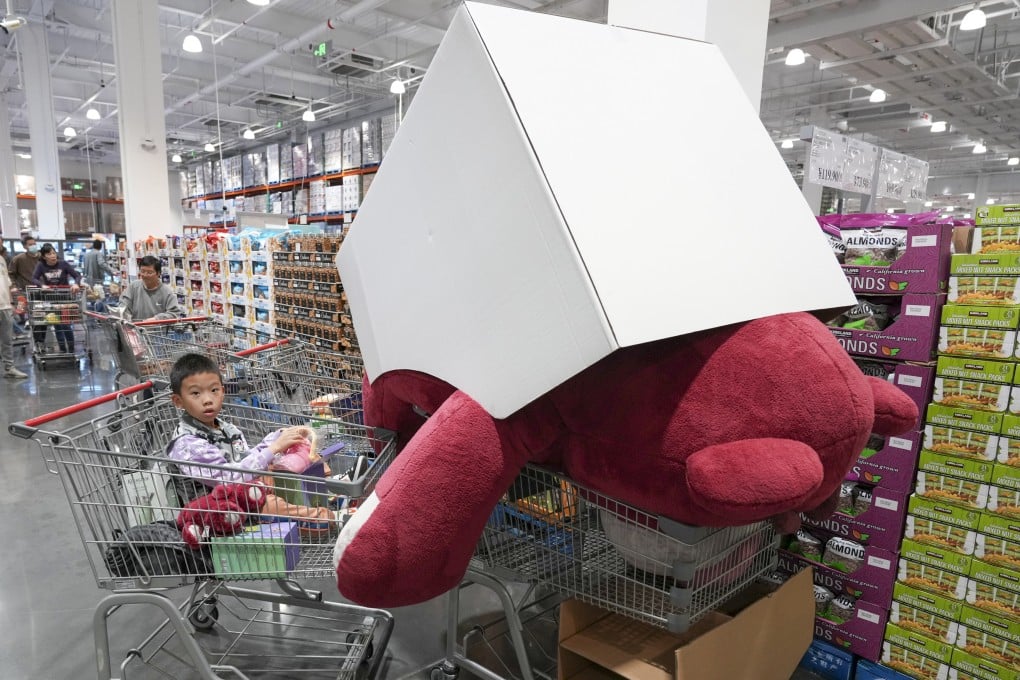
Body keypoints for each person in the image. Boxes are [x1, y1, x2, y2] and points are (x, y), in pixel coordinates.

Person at [166, 353, 336, 522]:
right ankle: (325, 517)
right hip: (220, 511)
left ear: (222, 392)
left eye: (214, 390)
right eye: (196, 393)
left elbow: (245, 459)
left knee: (286, 465)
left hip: (246, 492)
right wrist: (273, 449)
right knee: (269, 504)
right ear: (178, 401)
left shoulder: (225, 428)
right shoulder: (187, 444)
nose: (207, 400)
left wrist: (279, 438)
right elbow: (227, 477)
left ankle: (332, 492)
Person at [31, 244, 82, 355]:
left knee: (66, 323)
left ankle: (71, 348)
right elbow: (34, 278)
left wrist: (76, 284)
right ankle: (63, 349)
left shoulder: (63, 264)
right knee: (57, 323)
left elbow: (77, 275)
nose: (53, 256)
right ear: (44, 256)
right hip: (51, 298)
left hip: (65, 298)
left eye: (54, 253)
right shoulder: (41, 265)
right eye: (49, 254)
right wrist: (42, 285)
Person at [119, 255, 183, 321]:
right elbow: (123, 305)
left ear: (158, 273)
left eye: (149, 272)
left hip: (157, 330)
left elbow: (174, 314)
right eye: (142, 271)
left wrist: (156, 319)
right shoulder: (133, 287)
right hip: (136, 329)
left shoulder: (167, 292)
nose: (145, 275)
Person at [0, 252, 28, 379]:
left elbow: (7, 283)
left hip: (4, 306)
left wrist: (11, 303)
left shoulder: (1, 260)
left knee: (7, 340)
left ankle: (9, 368)